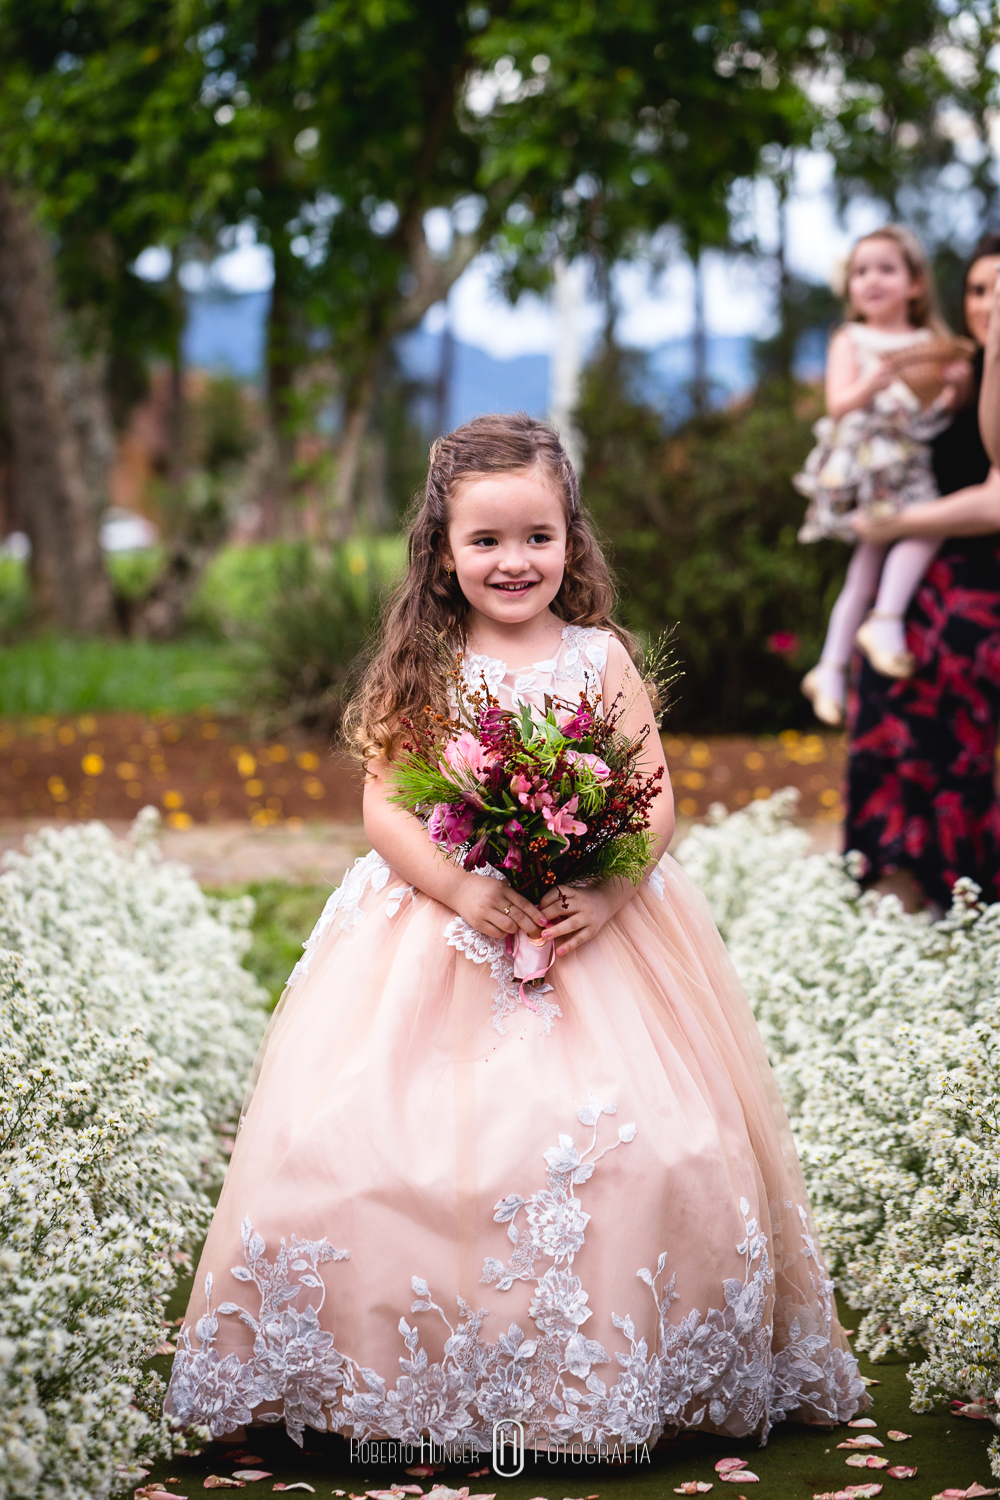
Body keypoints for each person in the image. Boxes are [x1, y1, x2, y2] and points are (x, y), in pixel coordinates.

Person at [165, 415, 866, 1452]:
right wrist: (461, 889)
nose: (512, 562)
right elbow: (383, 810)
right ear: (442, 552)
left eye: (536, 537)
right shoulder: (430, 658)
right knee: (373, 1143)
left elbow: (652, 797)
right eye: (484, 541)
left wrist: (612, 895)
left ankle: (614, 1378)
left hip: (591, 926)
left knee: (653, 1148)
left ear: (571, 540)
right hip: (444, 928)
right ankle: (389, 1379)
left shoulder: (599, 656)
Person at [845, 236, 1000, 912]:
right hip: (933, 569)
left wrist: (896, 525)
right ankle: (895, 875)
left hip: (980, 572)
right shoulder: (954, 370)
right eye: (977, 290)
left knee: (960, 663)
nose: (988, 303)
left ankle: (966, 878)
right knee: (885, 680)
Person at [796, 225, 971, 727]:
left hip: (909, 461)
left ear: (915, 283)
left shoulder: (930, 343)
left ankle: (833, 664)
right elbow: (836, 403)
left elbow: (933, 416)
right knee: (889, 550)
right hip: (868, 465)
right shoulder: (851, 339)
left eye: (886, 269)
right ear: (849, 285)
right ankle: (870, 634)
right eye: (861, 271)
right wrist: (870, 382)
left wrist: (954, 393)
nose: (871, 280)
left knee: (903, 541)